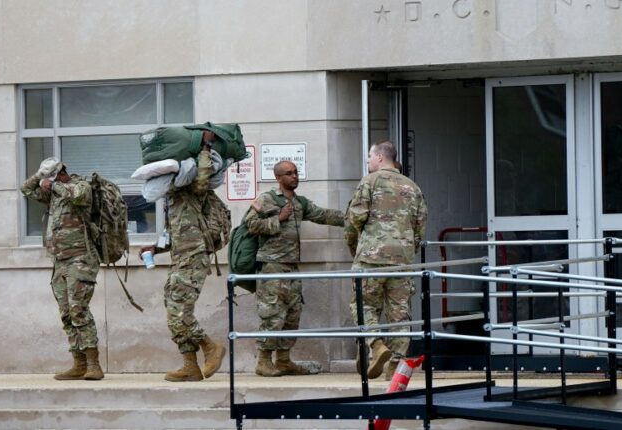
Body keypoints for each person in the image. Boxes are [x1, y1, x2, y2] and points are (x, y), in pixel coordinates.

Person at [139, 131, 227, 382]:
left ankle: (211, 347)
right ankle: (190, 365)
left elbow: (201, 181)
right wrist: (155, 249)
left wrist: (206, 147)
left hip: (194, 257)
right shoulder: (173, 197)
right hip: (181, 257)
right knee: (173, 309)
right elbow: (176, 232)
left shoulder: (191, 188)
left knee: (178, 313)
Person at [245, 160, 345, 377]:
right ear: (278, 178)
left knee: (292, 315)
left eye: (296, 172)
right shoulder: (267, 199)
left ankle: (283, 360)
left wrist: (353, 218)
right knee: (272, 315)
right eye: (289, 174)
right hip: (272, 267)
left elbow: (323, 215)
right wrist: (277, 220)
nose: (294, 177)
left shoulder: (300, 203)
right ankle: (263, 361)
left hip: (292, 268)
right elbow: (250, 226)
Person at [346, 140, 427, 380]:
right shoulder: (413, 187)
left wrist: (357, 247)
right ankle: (396, 367)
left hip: (371, 257)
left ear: (381, 157)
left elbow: (356, 218)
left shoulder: (369, 182)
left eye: (370, 156)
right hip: (402, 260)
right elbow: (420, 226)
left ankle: (376, 344)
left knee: (363, 304)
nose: (368, 161)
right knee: (400, 313)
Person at [21, 158, 104, 381]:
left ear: (62, 173)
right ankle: (79, 363)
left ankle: (94, 364)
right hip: (60, 261)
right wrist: (39, 176)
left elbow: (78, 196)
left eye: (53, 176)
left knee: (79, 310)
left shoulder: (81, 185)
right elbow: (26, 189)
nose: (49, 182)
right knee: (66, 313)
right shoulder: (53, 194)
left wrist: (54, 184)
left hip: (81, 259)